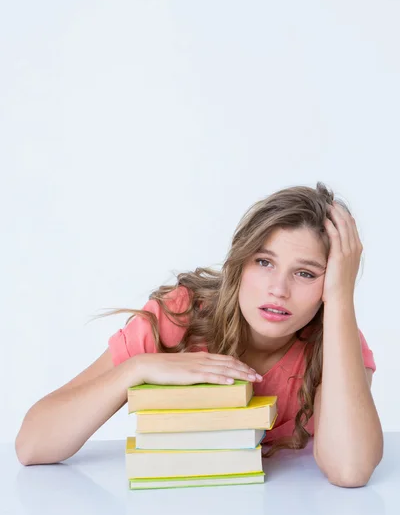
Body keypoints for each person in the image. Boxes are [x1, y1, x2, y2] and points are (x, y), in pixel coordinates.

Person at [15, 182, 383, 487]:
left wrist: (340, 298)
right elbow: (32, 445)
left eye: (305, 273)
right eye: (264, 262)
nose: (278, 290)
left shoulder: (336, 341)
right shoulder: (182, 314)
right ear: (239, 264)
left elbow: (350, 470)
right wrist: (137, 369)